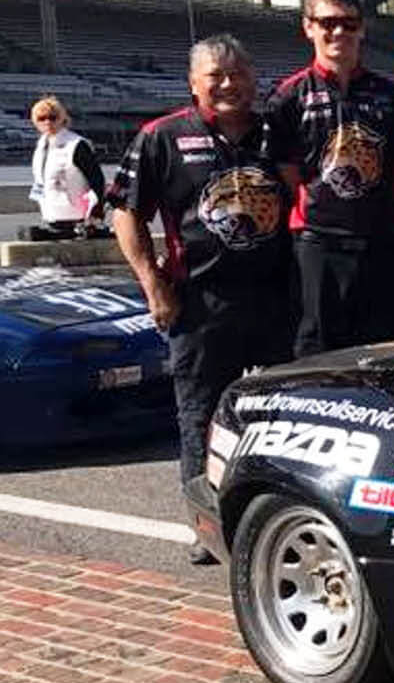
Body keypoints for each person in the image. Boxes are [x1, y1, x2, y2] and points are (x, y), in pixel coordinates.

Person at [106, 35, 294, 563]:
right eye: (216, 76)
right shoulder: (161, 137)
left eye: (238, 73)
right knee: (201, 415)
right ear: (194, 83)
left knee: (280, 413)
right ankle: (205, 525)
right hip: (200, 302)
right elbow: (124, 211)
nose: (229, 83)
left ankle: (273, 514)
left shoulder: (275, 132)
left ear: (254, 78)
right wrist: (152, 284)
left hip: (278, 297)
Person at [264, 0, 394, 356]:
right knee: (318, 348)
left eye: (349, 23)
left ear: (362, 29)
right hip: (318, 243)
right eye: (328, 22)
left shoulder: (392, 97)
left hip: (379, 242)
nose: (339, 32)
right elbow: (286, 173)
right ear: (309, 26)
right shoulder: (288, 96)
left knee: (384, 348)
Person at [28, 96, 106, 238]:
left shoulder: (77, 144)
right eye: (42, 118)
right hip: (51, 217)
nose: (47, 122)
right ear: (35, 122)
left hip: (78, 220)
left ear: (62, 118)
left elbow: (97, 181)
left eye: (53, 117)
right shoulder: (40, 146)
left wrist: (96, 215)